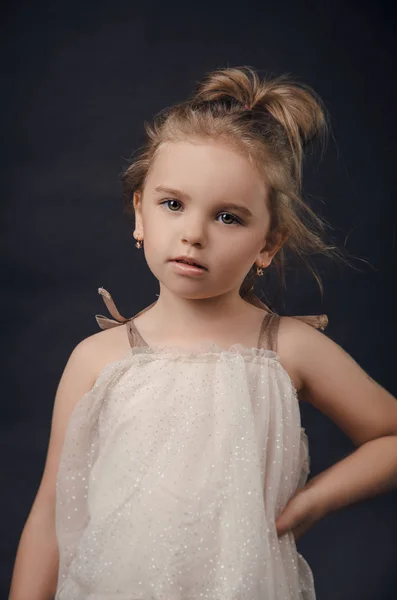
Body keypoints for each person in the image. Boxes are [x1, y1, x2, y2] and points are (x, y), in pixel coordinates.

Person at [10, 66, 397, 600]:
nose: (193, 234)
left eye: (228, 218)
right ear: (139, 213)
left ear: (269, 243)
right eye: (173, 204)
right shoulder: (97, 359)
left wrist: (312, 501)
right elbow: (51, 512)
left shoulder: (285, 348)